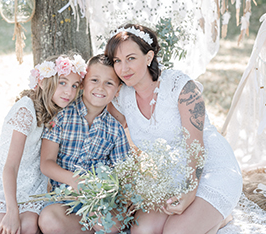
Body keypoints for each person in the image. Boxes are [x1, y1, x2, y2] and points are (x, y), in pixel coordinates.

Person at [104, 24, 243, 234]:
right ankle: (209, 221)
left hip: (210, 170)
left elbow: (196, 145)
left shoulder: (180, 86)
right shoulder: (121, 97)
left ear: (149, 57)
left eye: (131, 58)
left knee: (175, 232)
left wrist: (190, 190)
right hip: (169, 178)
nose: (123, 69)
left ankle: (218, 217)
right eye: (117, 61)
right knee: (142, 230)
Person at [0, 53, 87, 234]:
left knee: (27, 227)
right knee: (4, 229)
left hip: (33, 184)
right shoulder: (25, 109)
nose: (70, 91)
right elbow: (10, 167)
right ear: (43, 82)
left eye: (75, 86)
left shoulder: (59, 112)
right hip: (5, 180)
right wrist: (12, 211)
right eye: (63, 82)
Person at [39, 54, 130, 234]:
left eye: (109, 83)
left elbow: (123, 173)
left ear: (117, 90)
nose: (100, 87)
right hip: (63, 200)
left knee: (112, 224)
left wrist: (105, 193)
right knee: (49, 220)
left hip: (97, 202)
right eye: (94, 80)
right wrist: (73, 180)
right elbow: (46, 163)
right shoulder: (62, 116)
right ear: (82, 83)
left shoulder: (115, 130)